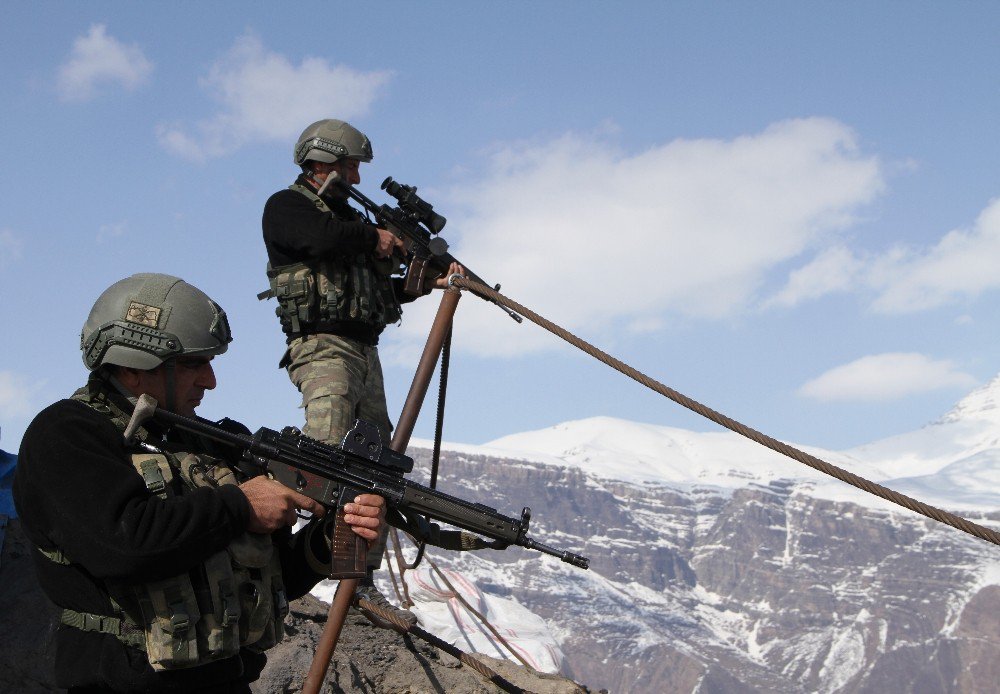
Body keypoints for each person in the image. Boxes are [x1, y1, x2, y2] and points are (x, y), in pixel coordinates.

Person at [13, 273, 386, 693]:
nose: (210, 381)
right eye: (193, 363)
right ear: (134, 367)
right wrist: (240, 506)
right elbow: (126, 545)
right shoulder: (67, 434)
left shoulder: (208, 442)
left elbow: (271, 575)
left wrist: (332, 536)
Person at [260, 118, 461, 623]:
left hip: (363, 352)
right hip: (323, 345)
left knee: (375, 462)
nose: (356, 176)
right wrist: (377, 239)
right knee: (324, 450)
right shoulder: (289, 208)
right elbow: (320, 239)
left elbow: (377, 294)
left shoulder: (353, 223)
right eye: (350, 165)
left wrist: (423, 281)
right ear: (322, 160)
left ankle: (357, 579)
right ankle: (273, 560)